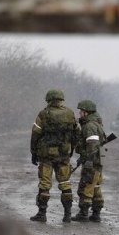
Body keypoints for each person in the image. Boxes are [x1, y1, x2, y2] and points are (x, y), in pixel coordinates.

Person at [29, 89, 80, 223]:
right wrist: (71, 149)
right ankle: (67, 214)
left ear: (48, 100)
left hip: (46, 156)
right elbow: (76, 133)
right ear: (61, 99)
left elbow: (35, 134)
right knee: (65, 182)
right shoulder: (70, 114)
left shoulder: (43, 114)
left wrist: (33, 152)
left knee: (45, 184)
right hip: (63, 155)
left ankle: (42, 213)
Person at [74, 99, 106, 222]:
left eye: (81, 112)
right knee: (96, 186)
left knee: (86, 186)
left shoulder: (90, 126)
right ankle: (96, 214)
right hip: (96, 161)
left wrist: (88, 161)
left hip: (92, 161)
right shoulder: (96, 124)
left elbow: (92, 145)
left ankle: (83, 214)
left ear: (86, 113)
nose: (79, 114)